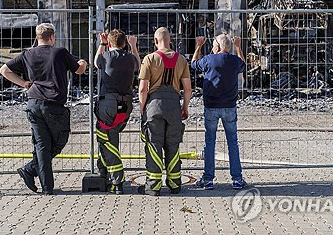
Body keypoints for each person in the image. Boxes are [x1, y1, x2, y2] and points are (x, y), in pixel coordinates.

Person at [0, 23, 87, 195]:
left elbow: (4, 70)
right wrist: (83, 62)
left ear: (37, 37)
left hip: (33, 103)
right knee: (59, 141)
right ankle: (31, 169)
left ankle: (45, 186)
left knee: (42, 145)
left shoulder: (27, 54)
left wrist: (23, 83)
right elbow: (79, 70)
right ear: (52, 37)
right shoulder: (59, 52)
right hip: (53, 105)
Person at [138, 27, 192, 196]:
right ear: (170, 40)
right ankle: (175, 184)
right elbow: (188, 89)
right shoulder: (182, 60)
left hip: (154, 105)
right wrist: (185, 107)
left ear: (155, 41)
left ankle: (153, 186)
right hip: (174, 106)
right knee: (173, 145)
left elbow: (142, 89)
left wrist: (143, 110)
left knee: (154, 145)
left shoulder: (149, 59)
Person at [191, 34, 248, 190]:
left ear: (216, 47)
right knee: (232, 142)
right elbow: (243, 64)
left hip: (211, 106)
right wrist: (238, 47)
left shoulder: (209, 60)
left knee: (209, 142)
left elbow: (194, 64)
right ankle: (237, 179)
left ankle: (208, 179)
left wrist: (199, 46)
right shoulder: (234, 61)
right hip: (230, 107)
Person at [94, 29, 140, 194]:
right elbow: (138, 66)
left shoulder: (106, 56)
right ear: (125, 43)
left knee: (108, 140)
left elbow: (95, 62)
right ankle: (103, 172)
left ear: (110, 43)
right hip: (125, 105)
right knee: (107, 137)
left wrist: (102, 43)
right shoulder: (129, 58)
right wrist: (134, 46)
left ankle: (117, 181)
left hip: (108, 104)